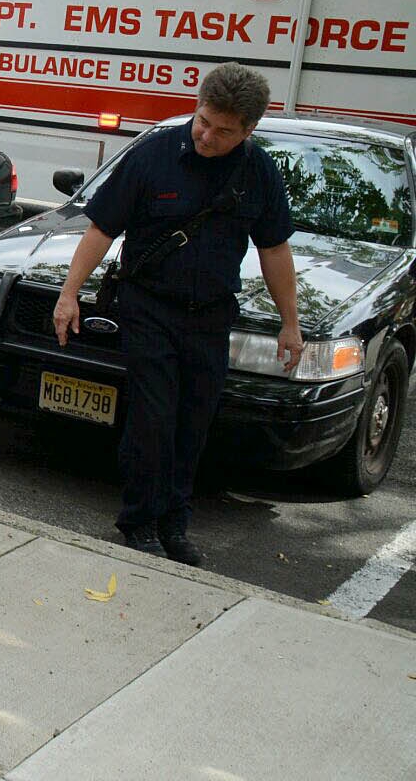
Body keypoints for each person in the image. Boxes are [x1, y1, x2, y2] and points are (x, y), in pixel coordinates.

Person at [53, 62, 302, 566]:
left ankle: (175, 522)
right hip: (149, 308)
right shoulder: (154, 155)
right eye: (203, 121)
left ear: (248, 130)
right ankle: (140, 521)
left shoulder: (259, 173)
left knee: (193, 423)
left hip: (210, 316)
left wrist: (290, 321)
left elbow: (275, 250)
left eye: (223, 130)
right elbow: (100, 229)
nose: (207, 135)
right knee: (153, 418)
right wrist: (69, 293)